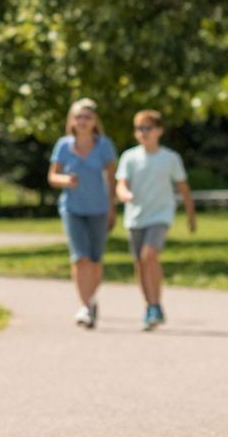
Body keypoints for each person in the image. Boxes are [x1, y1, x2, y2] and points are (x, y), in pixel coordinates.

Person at [116, 109, 196, 330]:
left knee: (149, 255)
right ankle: (150, 305)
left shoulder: (170, 158)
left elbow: (183, 188)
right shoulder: (130, 157)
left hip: (160, 215)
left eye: (147, 128)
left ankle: (156, 303)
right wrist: (124, 194)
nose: (143, 132)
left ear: (159, 131)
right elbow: (121, 183)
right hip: (135, 217)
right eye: (139, 128)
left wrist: (191, 215)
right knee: (140, 264)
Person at [47, 97, 118, 327]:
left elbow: (111, 179)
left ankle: (91, 298)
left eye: (87, 117)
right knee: (80, 258)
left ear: (95, 120)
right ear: (72, 120)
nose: (83, 121)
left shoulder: (104, 145)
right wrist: (65, 179)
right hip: (72, 208)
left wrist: (112, 208)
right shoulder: (63, 146)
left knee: (96, 259)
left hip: (98, 208)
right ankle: (84, 306)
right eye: (79, 117)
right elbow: (52, 176)